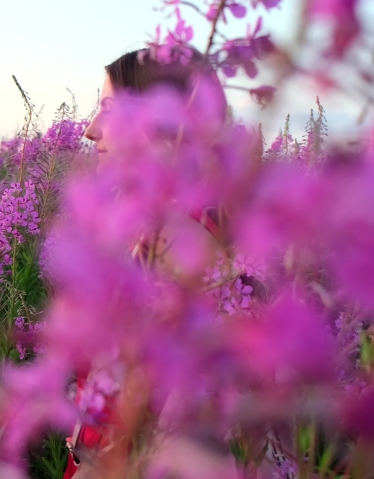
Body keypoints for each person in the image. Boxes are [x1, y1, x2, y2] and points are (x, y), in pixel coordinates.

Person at [65, 45, 230, 479]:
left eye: (108, 109)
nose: (90, 129)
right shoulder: (157, 229)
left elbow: (187, 434)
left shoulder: (174, 240)